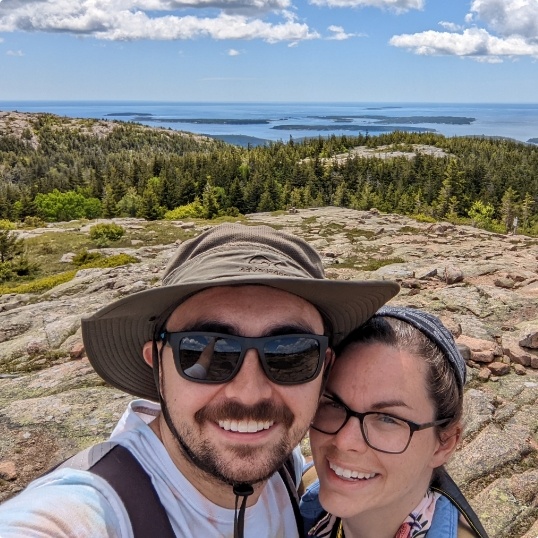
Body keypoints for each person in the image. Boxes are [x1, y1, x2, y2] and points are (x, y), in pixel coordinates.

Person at [0, 223, 399, 538]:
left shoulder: (280, 465)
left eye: (290, 354)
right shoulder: (89, 509)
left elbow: (303, 468)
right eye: (206, 352)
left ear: (324, 368)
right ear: (158, 365)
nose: (250, 393)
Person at [303, 306, 489, 538]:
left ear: (444, 443)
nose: (344, 441)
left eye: (387, 418)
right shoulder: (300, 486)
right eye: (334, 404)